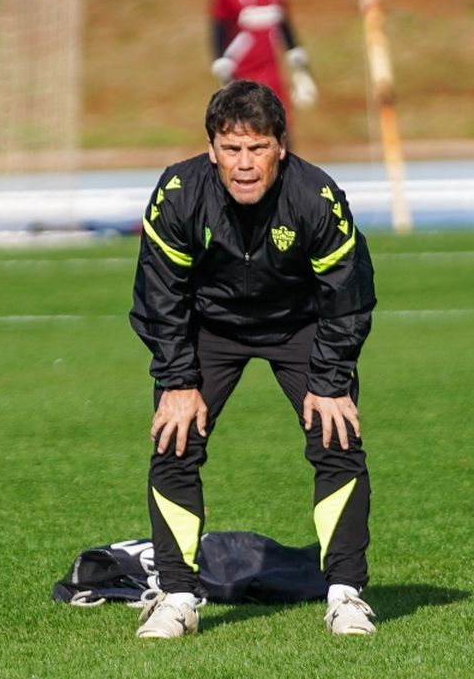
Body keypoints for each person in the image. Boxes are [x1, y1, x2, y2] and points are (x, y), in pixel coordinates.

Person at [130, 80, 375, 639]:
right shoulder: (178, 192)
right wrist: (177, 379)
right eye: (232, 148)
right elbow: (159, 292)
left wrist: (331, 379)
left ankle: (345, 595)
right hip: (208, 327)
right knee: (175, 439)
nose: (245, 164)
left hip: (299, 325)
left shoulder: (317, 197)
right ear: (212, 149)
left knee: (337, 440)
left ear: (280, 148)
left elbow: (347, 294)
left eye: (258, 148)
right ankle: (177, 595)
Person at [208, 0, 317, 113]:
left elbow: (284, 27)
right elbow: (219, 30)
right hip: (242, 77)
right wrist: (222, 68)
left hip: (273, 75)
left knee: (280, 128)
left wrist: (300, 70)